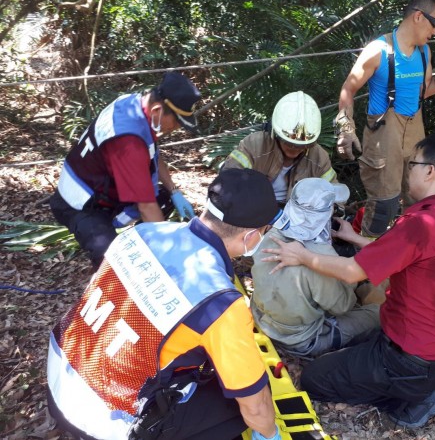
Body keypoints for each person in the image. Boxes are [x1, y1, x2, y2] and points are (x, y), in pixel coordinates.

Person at [46, 168, 283, 440]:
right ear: (251, 237)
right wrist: (269, 433)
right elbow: (255, 407)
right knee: (237, 403)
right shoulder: (219, 303)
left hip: (60, 378)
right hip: (105, 421)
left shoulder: (142, 233)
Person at [263, 131, 435, 429]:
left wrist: (302, 256)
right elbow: (408, 255)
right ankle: (424, 385)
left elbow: (351, 273)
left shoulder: (421, 224)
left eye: (412, 164)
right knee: (366, 327)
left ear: (430, 171)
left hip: (407, 361)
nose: (407, 172)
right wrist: (355, 238)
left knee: (315, 379)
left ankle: (415, 401)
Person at [334, 0, 435, 237]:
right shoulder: (378, 51)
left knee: (419, 199)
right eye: (434, 24)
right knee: (383, 206)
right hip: (384, 134)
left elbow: (422, 92)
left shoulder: (424, 53)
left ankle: (407, 256)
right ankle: (365, 268)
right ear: (417, 16)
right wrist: (345, 129)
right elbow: (348, 89)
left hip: (415, 131)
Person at [49, 72, 200, 268]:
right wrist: (167, 255)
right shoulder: (128, 142)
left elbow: (153, 152)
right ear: (157, 110)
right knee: (111, 258)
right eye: (178, 121)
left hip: (103, 187)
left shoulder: (134, 105)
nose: (177, 127)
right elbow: (146, 206)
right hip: (81, 203)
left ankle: (139, 246)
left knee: (164, 199)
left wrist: (174, 191)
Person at [251, 178, 380, 357]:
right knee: (378, 312)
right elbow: (343, 306)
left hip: (262, 320)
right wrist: (346, 279)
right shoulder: (320, 256)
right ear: (326, 214)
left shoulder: (268, 233)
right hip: (299, 340)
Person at [221, 91, 337, 206]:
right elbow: (229, 179)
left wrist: (336, 212)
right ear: (274, 133)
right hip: (252, 206)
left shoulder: (319, 157)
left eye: (303, 145)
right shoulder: (254, 145)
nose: (296, 149)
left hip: (296, 214)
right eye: (289, 143)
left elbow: (334, 192)